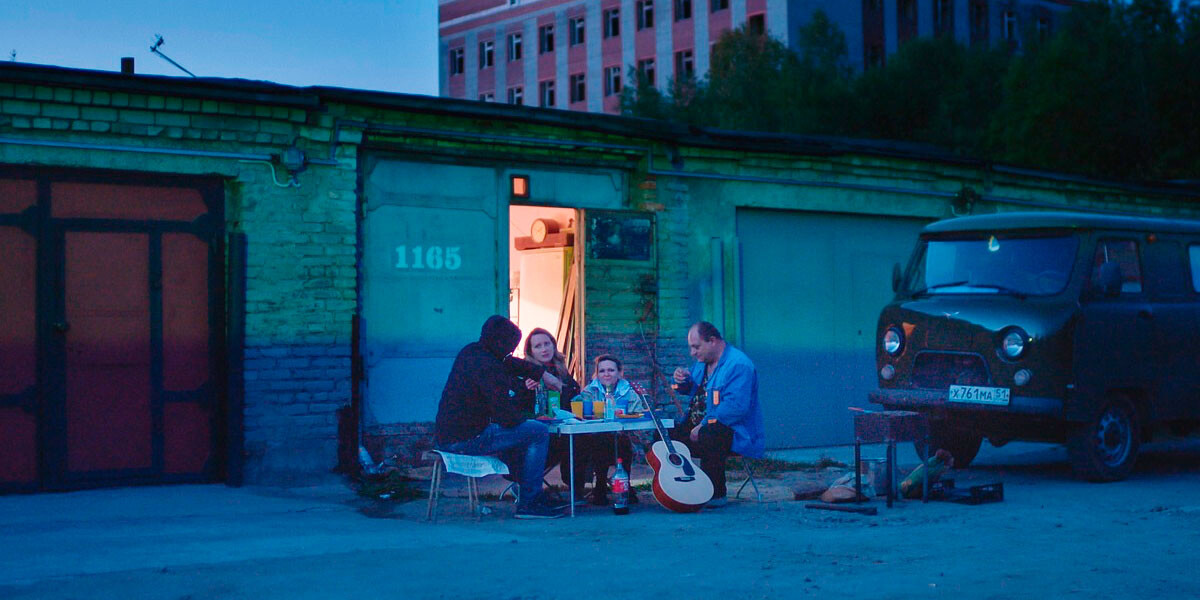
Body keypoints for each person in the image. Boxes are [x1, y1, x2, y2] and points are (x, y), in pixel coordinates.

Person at [434, 315, 566, 519]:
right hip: (468, 439)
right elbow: (506, 417)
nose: (510, 352)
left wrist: (542, 374)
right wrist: (528, 420)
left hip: (448, 436)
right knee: (537, 432)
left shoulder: (472, 352)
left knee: (527, 432)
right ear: (501, 343)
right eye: (510, 347)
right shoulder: (488, 367)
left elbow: (510, 363)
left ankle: (528, 492)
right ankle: (530, 502)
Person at [672, 321, 765, 507]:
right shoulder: (702, 363)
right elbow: (692, 390)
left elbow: (735, 408)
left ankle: (715, 493)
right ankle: (676, 488)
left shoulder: (738, 365)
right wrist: (681, 381)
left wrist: (703, 425)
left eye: (696, 347)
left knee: (710, 433)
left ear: (712, 341)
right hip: (698, 428)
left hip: (733, 434)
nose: (692, 353)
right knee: (663, 432)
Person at [575, 354, 645, 505]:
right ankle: (600, 485)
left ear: (620, 373)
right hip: (595, 438)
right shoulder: (589, 391)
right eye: (602, 371)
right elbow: (581, 413)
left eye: (611, 370)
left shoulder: (629, 392)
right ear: (597, 374)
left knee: (622, 441)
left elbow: (638, 414)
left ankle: (624, 484)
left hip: (624, 436)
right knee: (603, 440)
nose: (606, 374)